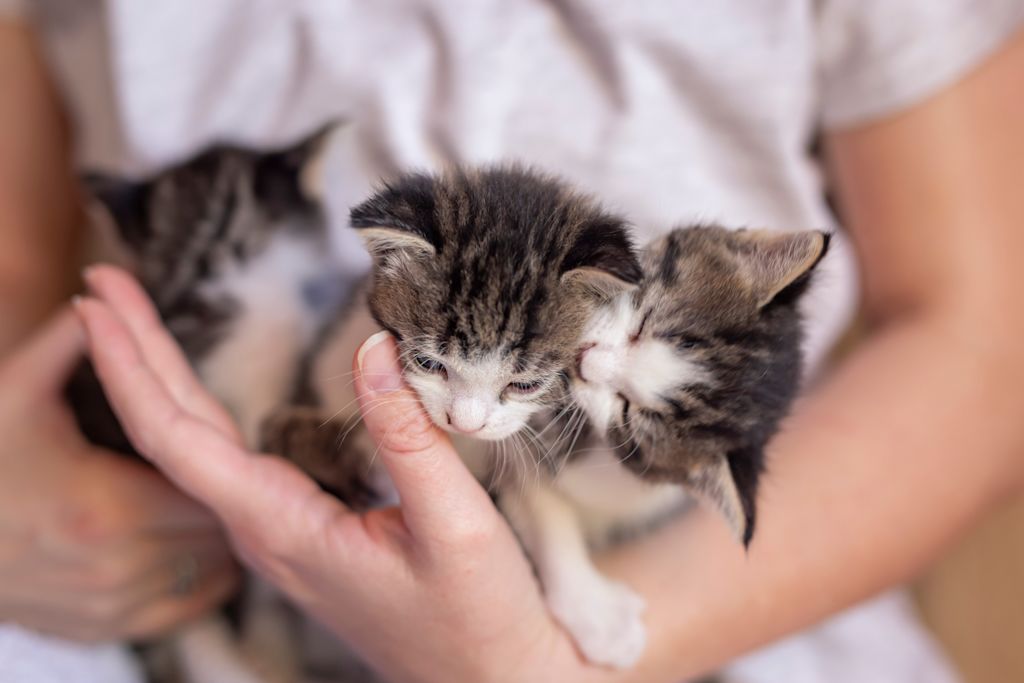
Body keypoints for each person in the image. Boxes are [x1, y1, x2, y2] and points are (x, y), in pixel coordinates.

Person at [2, 1, 1023, 681]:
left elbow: (985, 341)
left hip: (712, 605)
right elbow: (16, 266)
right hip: (137, 549)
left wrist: (547, 658)